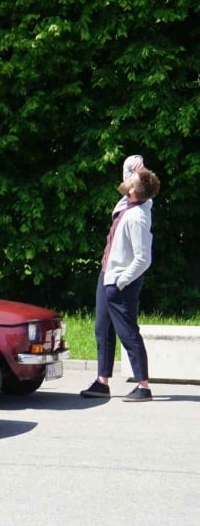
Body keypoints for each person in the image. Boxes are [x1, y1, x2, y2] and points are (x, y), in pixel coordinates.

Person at [81, 168, 162, 403]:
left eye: (131, 180)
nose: (126, 180)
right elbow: (131, 167)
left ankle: (143, 386)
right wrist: (139, 170)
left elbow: (143, 258)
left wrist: (121, 281)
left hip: (120, 282)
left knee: (127, 332)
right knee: (102, 329)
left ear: (135, 190)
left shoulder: (138, 216)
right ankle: (102, 382)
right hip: (108, 275)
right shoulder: (126, 204)